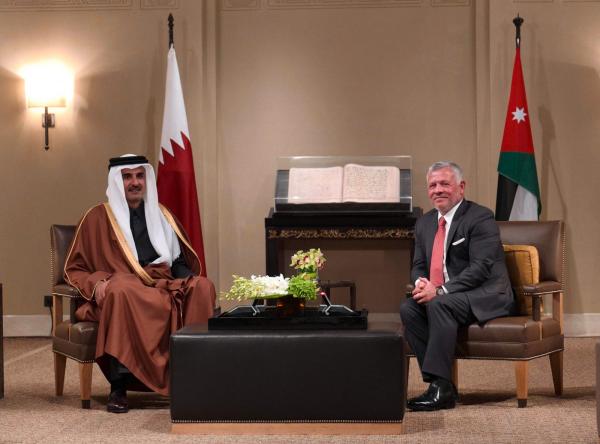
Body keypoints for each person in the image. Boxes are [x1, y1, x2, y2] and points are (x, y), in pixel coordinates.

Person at [64, 154, 216, 413]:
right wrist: (98, 282)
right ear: (116, 181)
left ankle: (193, 379)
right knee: (121, 288)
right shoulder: (96, 218)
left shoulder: (162, 214)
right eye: (127, 177)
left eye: (139, 176)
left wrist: (190, 279)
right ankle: (119, 386)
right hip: (125, 290)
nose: (135, 182)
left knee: (202, 287)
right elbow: (74, 268)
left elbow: (177, 262)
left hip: (161, 284)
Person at [400, 161, 514, 412]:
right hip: (448, 297)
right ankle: (441, 385)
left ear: (461, 187)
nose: (438, 190)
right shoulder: (424, 223)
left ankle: (441, 390)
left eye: (444, 184)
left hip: (485, 293)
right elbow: (418, 265)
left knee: (439, 304)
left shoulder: (480, 217)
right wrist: (421, 283)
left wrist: (440, 291)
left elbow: (481, 268)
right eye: (433, 185)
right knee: (409, 307)